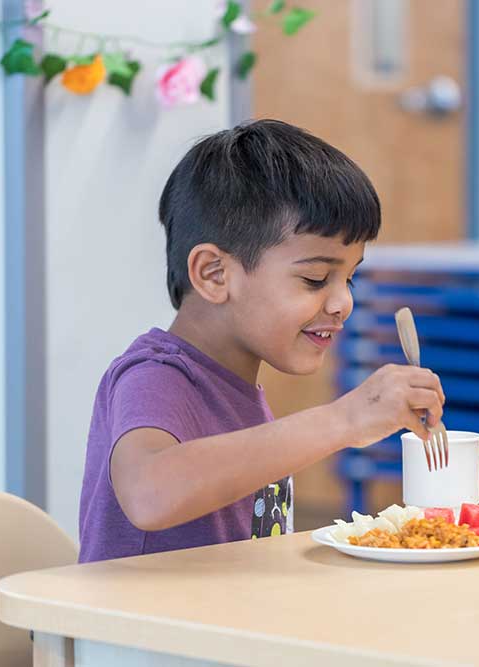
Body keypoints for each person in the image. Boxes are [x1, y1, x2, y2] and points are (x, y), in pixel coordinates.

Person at [78, 120, 445, 562]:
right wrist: (344, 419)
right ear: (214, 274)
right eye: (315, 278)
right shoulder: (156, 375)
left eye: (350, 277)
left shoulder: (238, 386)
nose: (343, 302)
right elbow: (148, 492)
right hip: (138, 631)